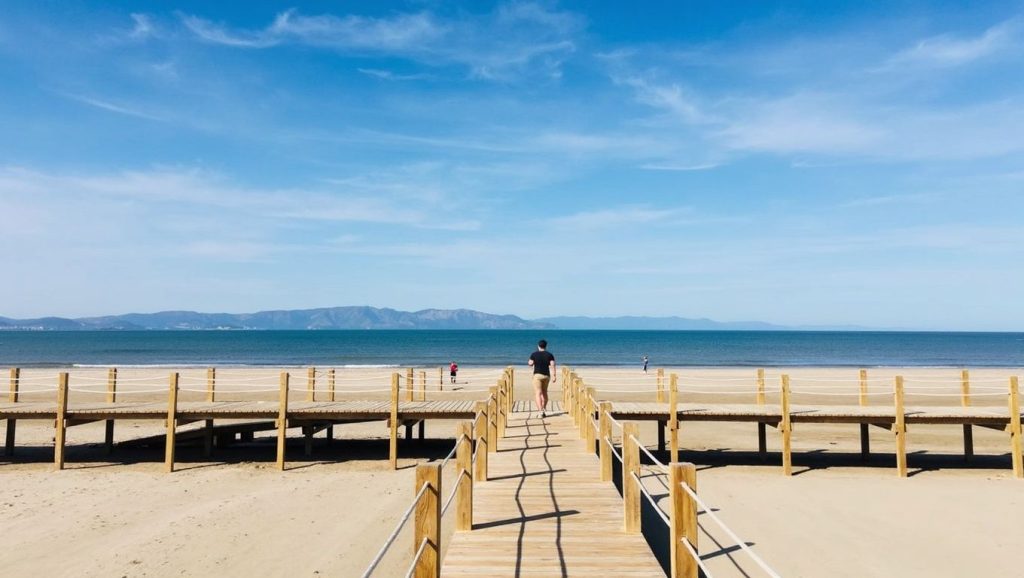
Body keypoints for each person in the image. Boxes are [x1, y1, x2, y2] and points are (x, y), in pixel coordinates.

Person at [528, 339, 556, 418]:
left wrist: (533, 362)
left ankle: (540, 411)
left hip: (537, 375)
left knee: (538, 393)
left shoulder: (534, 354)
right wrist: (554, 376)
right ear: (546, 346)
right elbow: (553, 365)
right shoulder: (550, 355)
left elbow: (530, 363)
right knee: (544, 393)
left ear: (538, 346)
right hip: (546, 375)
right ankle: (543, 408)